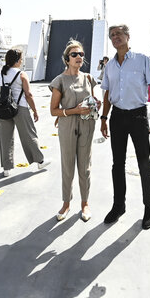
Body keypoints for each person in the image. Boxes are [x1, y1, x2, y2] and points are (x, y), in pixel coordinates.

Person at [100, 24, 150, 230]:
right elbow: (107, 95)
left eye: (118, 34)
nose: (115, 37)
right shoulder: (109, 67)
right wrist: (103, 118)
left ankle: (149, 207)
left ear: (127, 36)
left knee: (144, 162)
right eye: (112, 35)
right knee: (117, 164)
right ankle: (119, 206)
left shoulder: (143, 60)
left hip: (138, 116)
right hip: (117, 116)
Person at [49, 40, 101, 222]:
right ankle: (66, 203)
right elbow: (53, 110)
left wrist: (96, 104)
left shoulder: (88, 78)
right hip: (67, 125)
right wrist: (74, 111)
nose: (79, 57)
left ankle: (85, 203)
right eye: (74, 55)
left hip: (87, 125)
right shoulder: (60, 81)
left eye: (81, 54)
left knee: (85, 166)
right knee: (68, 165)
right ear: (67, 59)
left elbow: (92, 99)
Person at [0, 48, 49, 177]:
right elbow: (28, 94)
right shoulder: (21, 74)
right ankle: (40, 161)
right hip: (20, 108)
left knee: (5, 138)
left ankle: (6, 168)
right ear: (18, 60)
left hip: (3, 109)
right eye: (21, 59)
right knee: (29, 135)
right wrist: (35, 110)